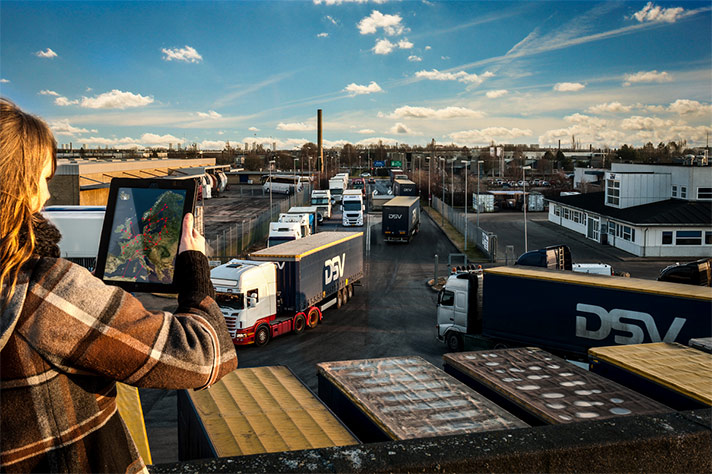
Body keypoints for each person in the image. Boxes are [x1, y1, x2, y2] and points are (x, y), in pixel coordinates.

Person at [0, 98, 238, 473]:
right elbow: (204, 354)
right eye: (42, 180)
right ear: (16, 183)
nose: (46, 197)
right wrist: (194, 264)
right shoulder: (43, 290)